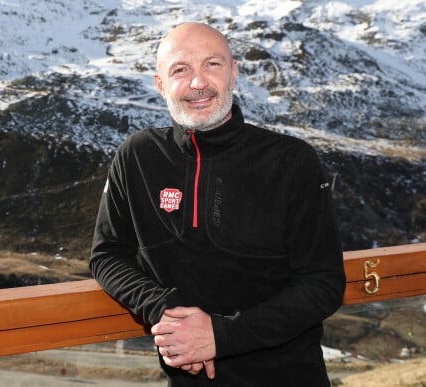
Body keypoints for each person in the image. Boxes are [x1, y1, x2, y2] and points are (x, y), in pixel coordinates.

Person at [90, 22, 346, 386]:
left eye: (212, 64)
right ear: (160, 84)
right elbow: (107, 254)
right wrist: (165, 314)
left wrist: (220, 337)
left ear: (233, 73)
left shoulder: (290, 161)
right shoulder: (137, 156)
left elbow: (323, 283)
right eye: (181, 70)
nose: (198, 83)